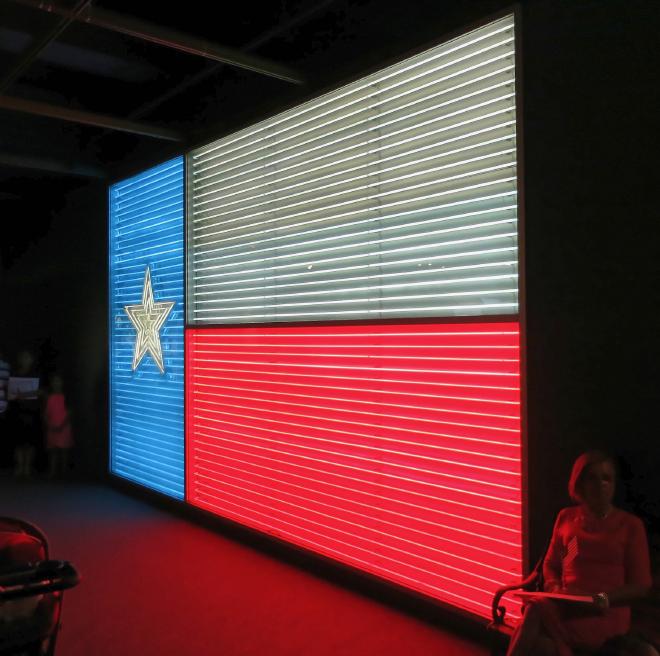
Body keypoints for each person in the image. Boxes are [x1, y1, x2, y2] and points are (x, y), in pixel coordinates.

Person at [506, 450, 653, 656]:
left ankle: (561, 647)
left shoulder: (629, 526)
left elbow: (641, 585)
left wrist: (603, 598)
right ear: (579, 483)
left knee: (539, 635)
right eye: (592, 478)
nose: (600, 484)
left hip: (605, 609)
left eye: (606, 478)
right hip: (568, 605)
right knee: (536, 610)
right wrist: (555, 586)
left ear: (613, 485)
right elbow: (552, 565)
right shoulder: (567, 518)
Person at [9, 350, 42, 478]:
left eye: (27, 357)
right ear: (19, 359)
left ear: (31, 359)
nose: (25, 360)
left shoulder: (36, 374)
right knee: (18, 441)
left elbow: (41, 392)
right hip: (17, 412)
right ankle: (19, 466)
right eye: (22, 357)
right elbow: (9, 392)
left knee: (30, 442)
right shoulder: (14, 373)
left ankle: (27, 467)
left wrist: (25, 394)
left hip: (31, 412)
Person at [44, 374, 73, 477]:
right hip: (52, 426)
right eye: (54, 381)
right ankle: (52, 471)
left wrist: (61, 425)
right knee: (53, 451)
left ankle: (64, 472)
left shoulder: (66, 396)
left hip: (64, 427)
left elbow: (69, 413)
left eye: (58, 381)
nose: (56, 383)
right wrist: (48, 424)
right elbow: (46, 413)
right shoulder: (49, 397)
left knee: (64, 451)